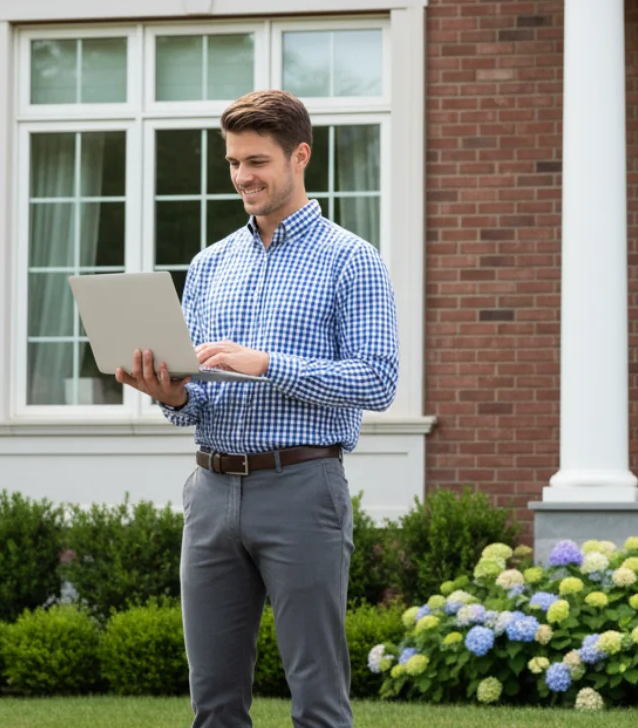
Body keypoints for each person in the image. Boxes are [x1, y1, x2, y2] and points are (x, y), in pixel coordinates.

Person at [114, 89, 398, 728]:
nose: (243, 176)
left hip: (302, 487)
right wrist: (172, 392)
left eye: (257, 162)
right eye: (234, 162)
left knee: (318, 701)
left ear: (300, 156)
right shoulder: (210, 265)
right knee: (213, 703)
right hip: (210, 493)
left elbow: (377, 382)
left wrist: (266, 363)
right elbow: (197, 398)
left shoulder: (352, 261)